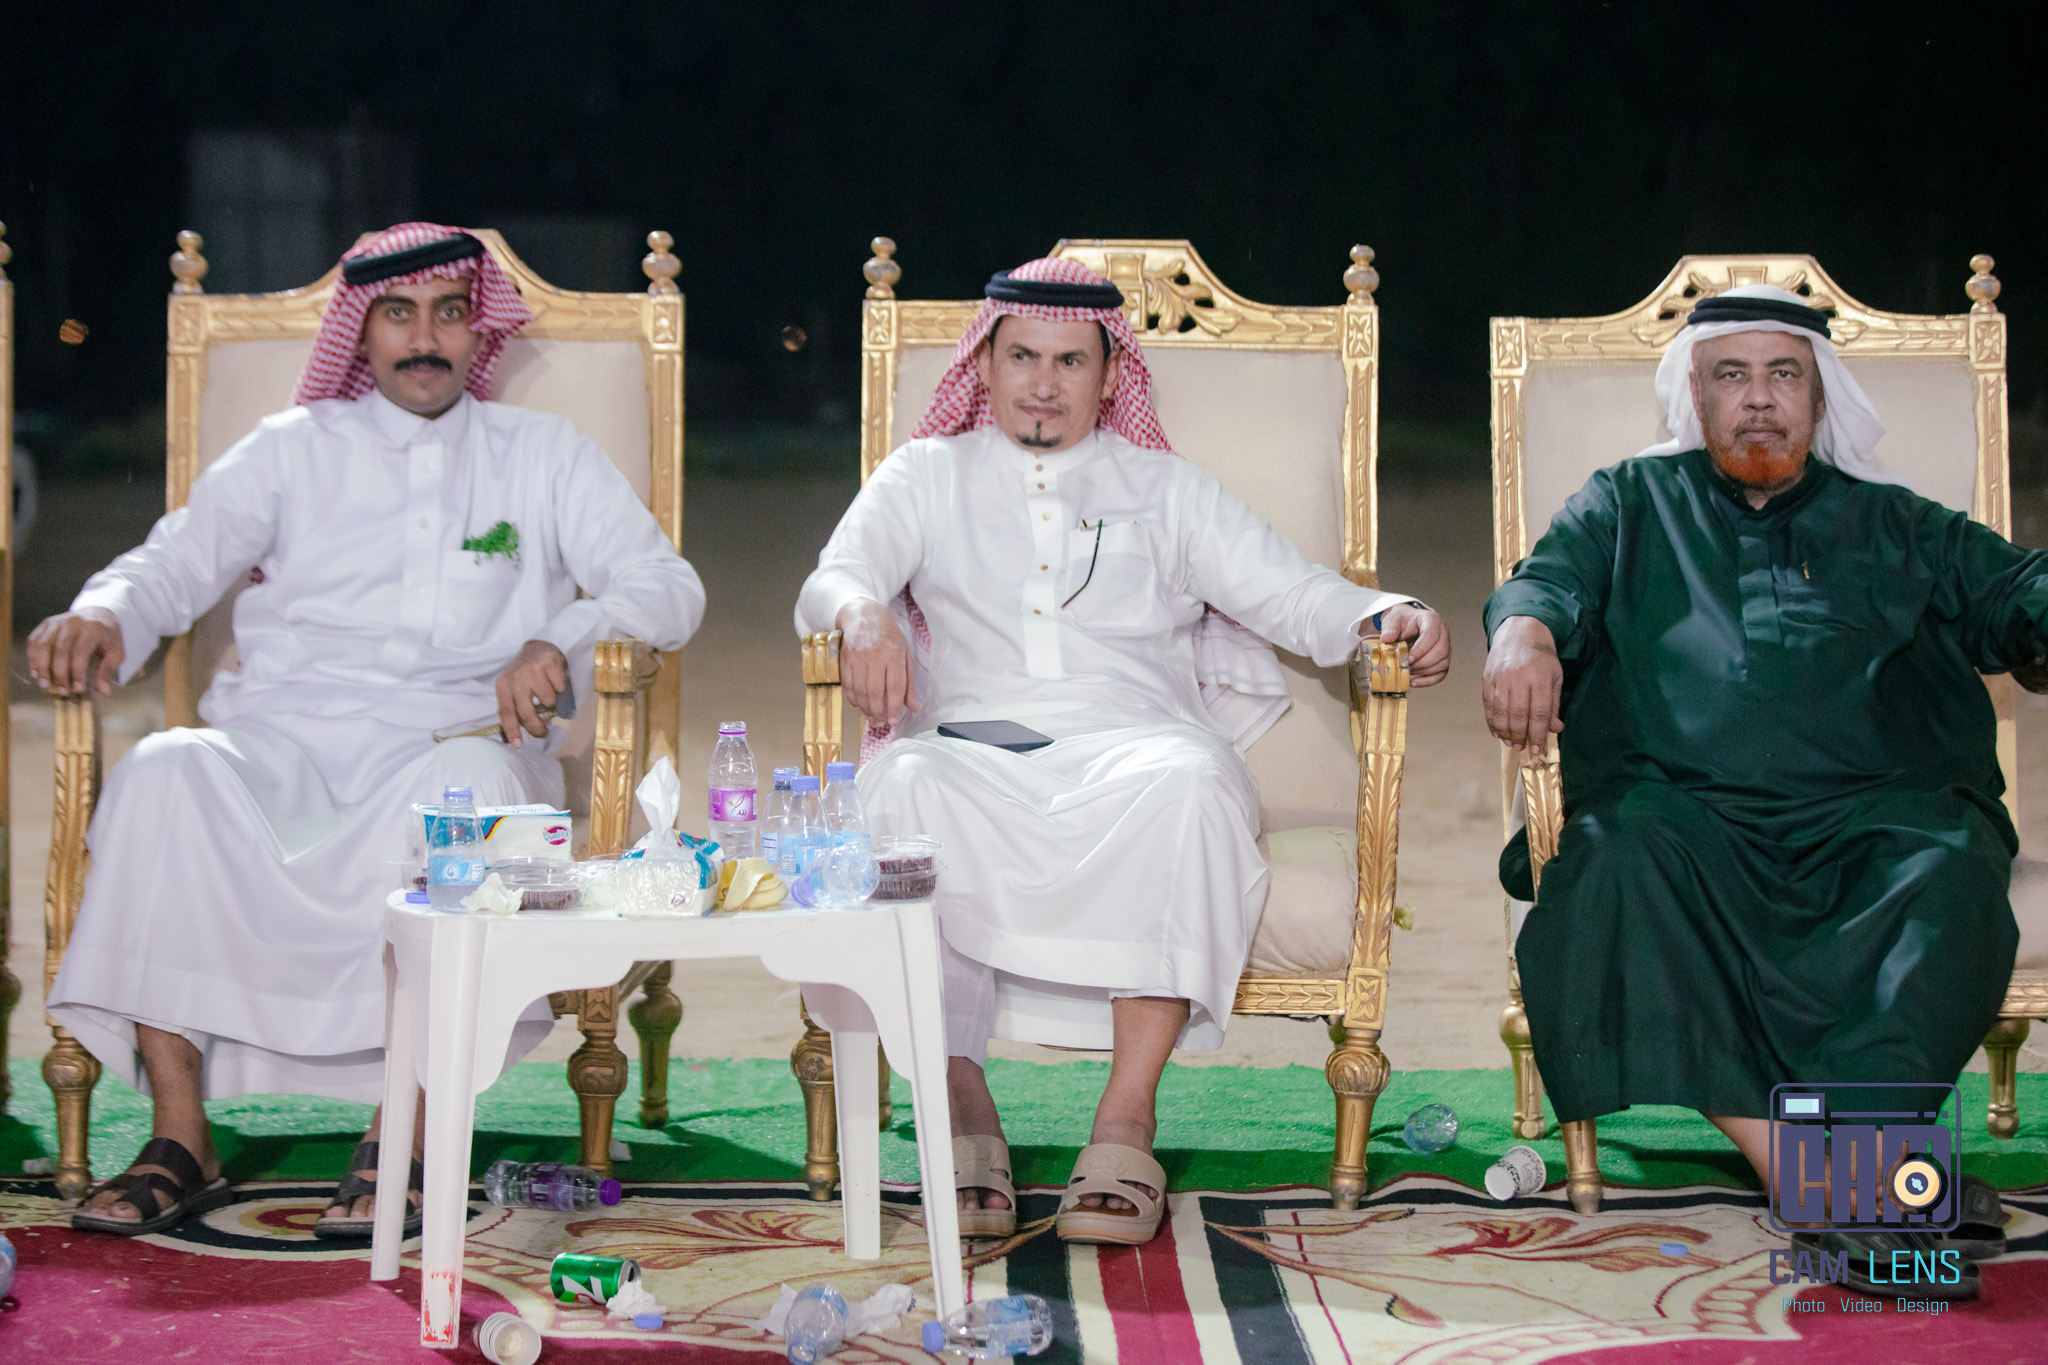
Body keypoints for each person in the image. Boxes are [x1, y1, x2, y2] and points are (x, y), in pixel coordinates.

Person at [34, 223, 705, 1238]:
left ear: (479, 328)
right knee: (163, 772)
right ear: (363, 329)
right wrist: (103, 613)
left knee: (471, 797)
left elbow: (665, 584)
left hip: (450, 742)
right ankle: (181, 1134)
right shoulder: (293, 449)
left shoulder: (542, 454)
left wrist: (562, 638)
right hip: (281, 742)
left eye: (448, 313)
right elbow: (172, 563)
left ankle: (409, 1132)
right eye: (398, 314)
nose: (424, 339)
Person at [796, 257, 1449, 1245]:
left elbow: (1290, 592)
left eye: (1071, 361)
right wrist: (862, 614)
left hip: (1136, 747)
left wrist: (1387, 612)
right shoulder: (927, 475)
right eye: (1023, 356)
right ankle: (962, 1104)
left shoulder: (1165, 489)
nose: (1043, 383)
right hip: (968, 752)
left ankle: (1125, 1120)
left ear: (1110, 375)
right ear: (985, 364)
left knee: (1192, 786)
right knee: (906, 787)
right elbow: (837, 573)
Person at [1482, 284, 2041, 1299]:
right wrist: (1522, 635)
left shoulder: (1896, 522)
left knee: (1949, 872)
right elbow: (1543, 583)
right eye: (1730, 375)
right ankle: (1829, 1178)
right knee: (1611, 857)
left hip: (1878, 822)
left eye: (1783, 374)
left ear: (1818, 398)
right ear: (1693, 395)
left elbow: (2013, 595)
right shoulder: (1628, 504)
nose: (1756, 398)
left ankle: (1853, 1170)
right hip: (1684, 821)